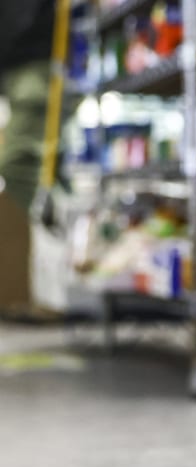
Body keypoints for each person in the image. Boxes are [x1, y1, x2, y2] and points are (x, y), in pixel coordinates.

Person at [0, 1, 56, 317]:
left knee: (18, 168)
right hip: (18, 66)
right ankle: (28, 288)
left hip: (34, 61)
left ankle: (27, 290)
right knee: (30, 167)